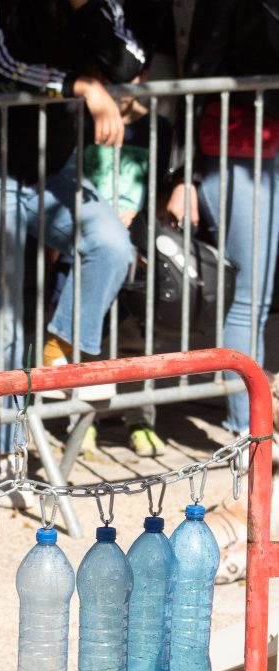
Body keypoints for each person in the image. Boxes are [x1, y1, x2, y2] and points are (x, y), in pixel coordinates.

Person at [0, 0, 145, 495]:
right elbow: (3, 61)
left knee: (111, 244)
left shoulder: (100, 7)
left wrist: (90, 9)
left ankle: (65, 351)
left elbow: (131, 62)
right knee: (3, 320)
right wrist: (80, 86)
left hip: (53, 162)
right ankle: (2, 453)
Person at [166, 0, 279, 438]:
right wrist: (185, 175)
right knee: (247, 298)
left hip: (265, 149)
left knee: (260, 298)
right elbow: (198, 74)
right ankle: (248, 430)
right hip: (234, 149)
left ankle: (251, 425)